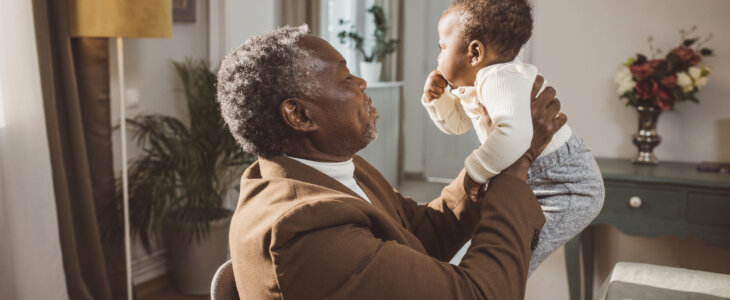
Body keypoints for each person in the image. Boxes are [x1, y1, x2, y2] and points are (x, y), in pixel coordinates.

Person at [217, 25, 565, 299]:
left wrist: (488, 161)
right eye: (344, 76)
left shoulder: (325, 167)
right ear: (299, 114)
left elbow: (421, 232)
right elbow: (479, 294)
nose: (362, 82)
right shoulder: (306, 227)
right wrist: (517, 165)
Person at [420, 0, 605, 273]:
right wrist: (437, 100)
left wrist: (474, 171)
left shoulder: (499, 78)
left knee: (511, 261)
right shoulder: (483, 81)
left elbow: (515, 136)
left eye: (442, 47)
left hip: (566, 186)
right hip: (537, 180)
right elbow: (458, 124)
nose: (438, 57)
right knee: (492, 255)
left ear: (474, 53)